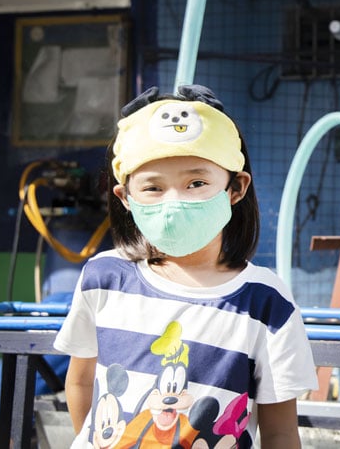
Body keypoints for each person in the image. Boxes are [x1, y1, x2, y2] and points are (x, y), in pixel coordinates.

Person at [54, 84, 318, 448]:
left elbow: (280, 431)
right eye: (153, 188)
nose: (175, 201)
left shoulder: (266, 301)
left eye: (197, 182)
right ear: (125, 197)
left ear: (235, 188)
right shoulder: (103, 278)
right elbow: (80, 381)